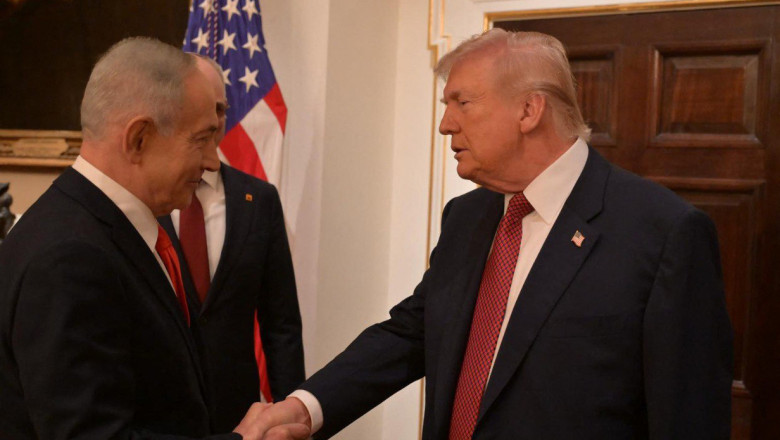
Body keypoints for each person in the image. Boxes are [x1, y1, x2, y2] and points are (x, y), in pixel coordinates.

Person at [253, 28, 734, 439]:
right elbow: (412, 334)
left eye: (462, 102)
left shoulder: (663, 232)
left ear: (529, 111)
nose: (445, 124)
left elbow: (688, 414)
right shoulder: (467, 217)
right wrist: (306, 407)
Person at [0, 37, 307, 440]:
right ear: (139, 138)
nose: (213, 161)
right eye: (201, 139)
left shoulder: (109, 227)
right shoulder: (70, 256)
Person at [158, 54, 305, 433]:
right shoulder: (146, 197)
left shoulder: (259, 200)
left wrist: (292, 413)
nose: (217, 120)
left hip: (238, 410)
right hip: (159, 409)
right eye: (205, 110)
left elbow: (281, 322)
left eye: (221, 109)